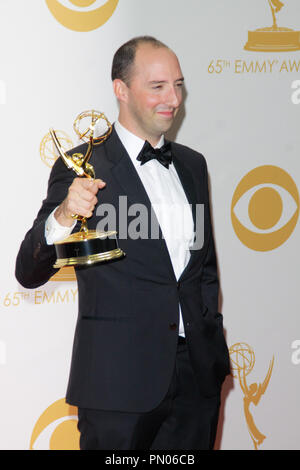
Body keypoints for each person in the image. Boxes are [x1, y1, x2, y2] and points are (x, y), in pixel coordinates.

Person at [15, 36, 230, 450]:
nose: (174, 99)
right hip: (117, 387)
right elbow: (28, 270)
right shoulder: (82, 166)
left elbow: (203, 269)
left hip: (196, 381)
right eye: (158, 86)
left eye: (179, 85)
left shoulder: (192, 164)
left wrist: (210, 342)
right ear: (121, 89)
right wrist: (62, 215)